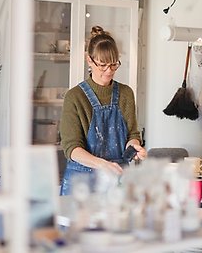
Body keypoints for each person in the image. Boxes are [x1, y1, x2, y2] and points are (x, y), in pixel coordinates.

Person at [59, 26, 146, 195]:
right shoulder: (75, 97)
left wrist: (134, 148)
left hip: (116, 183)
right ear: (89, 60)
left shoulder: (126, 93)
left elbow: (132, 136)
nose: (109, 71)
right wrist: (102, 164)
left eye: (114, 65)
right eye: (103, 65)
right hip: (82, 184)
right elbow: (72, 148)